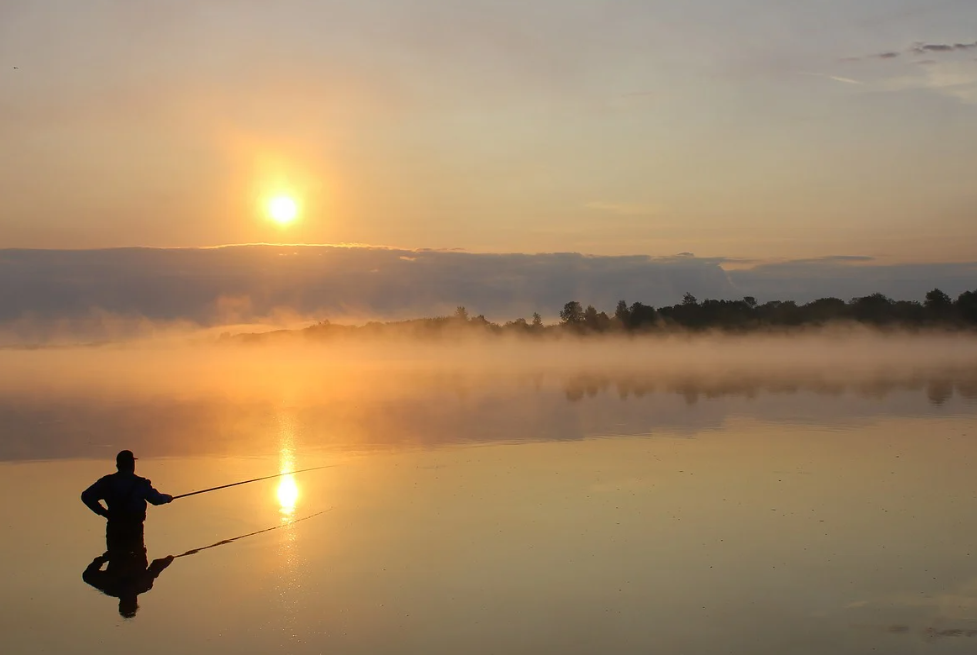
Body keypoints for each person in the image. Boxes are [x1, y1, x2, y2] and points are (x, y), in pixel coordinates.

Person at [81, 450, 173, 523]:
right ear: (132, 465)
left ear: (117, 465)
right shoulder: (141, 483)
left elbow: (86, 496)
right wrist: (167, 498)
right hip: (134, 530)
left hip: (114, 529)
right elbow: (156, 500)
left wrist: (104, 513)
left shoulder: (107, 482)